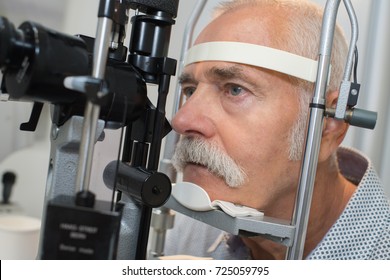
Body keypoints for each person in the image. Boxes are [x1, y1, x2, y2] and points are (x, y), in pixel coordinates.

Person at [163, 0, 390, 259]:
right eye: (190, 90)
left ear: (328, 125)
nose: (182, 120)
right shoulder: (198, 224)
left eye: (235, 89)